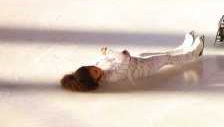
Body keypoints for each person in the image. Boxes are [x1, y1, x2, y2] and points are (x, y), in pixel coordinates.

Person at [60, 31, 205, 91]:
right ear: (94, 81)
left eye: (92, 68)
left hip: (138, 58)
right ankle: (194, 53)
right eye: (95, 73)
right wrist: (108, 51)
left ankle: (183, 48)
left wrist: (121, 54)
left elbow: (118, 58)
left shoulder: (99, 65)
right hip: (144, 67)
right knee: (167, 58)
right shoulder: (110, 77)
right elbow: (123, 60)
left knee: (164, 54)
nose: (95, 69)